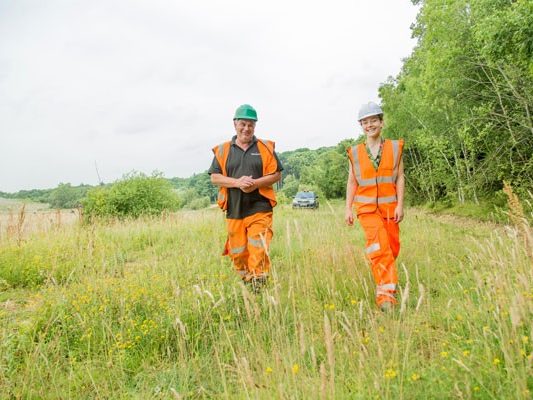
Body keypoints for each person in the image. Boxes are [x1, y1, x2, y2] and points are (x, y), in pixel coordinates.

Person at [209, 104, 283, 291]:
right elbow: (215, 177)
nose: (246, 128)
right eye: (243, 124)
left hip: (260, 207)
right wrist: (238, 183)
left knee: (258, 248)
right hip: (234, 210)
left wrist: (255, 184)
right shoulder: (223, 150)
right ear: (235, 124)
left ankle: (259, 286)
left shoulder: (265, 147)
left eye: (250, 125)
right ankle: (246, 282)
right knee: (238, 252)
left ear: (255, 126)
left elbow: (276, 175)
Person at [345, 102, 405, 311]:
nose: (369, 125)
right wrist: (348, 208)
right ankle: (386, 297)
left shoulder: (395, 148)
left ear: (381, 122)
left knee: (391, 248)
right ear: (361, 125)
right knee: (379, 248)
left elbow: (399, 177)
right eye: (365, 122)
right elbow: (352, 182)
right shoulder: (354, 152)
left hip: (390, 208)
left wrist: (400, 205)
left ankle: (383, 275)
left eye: (373, 121)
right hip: (367, 209)